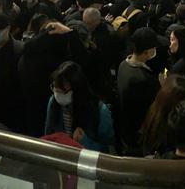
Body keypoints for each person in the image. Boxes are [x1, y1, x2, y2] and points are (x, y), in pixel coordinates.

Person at [45, 61, 115, 153]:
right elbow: (48, 135)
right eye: (55, 89)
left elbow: (107, 149)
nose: (58, 95)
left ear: (77, 89)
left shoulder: (100, 110)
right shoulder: (53, 102)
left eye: (63, 92)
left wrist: (84, 142)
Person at [116, 27, 162, 156]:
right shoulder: (143, 79)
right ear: (148, 52)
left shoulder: (123, 65)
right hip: (138, 133)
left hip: (124, 128)